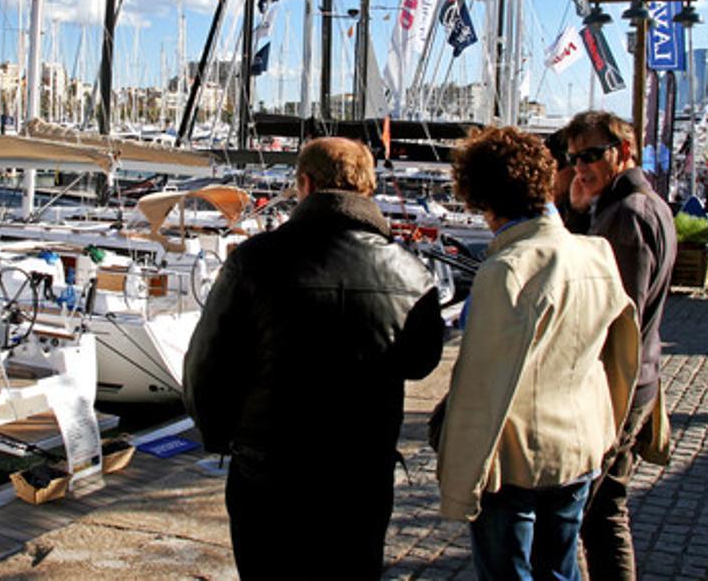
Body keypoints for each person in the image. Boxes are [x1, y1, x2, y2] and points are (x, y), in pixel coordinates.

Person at [183, 137, 444, 579]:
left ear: (304, 183)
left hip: (270, 471)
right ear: (367, 188)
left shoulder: (254, 261)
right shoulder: (410, 271)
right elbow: (421, 361)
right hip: (362, 471)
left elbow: (206, 366)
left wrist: (221, 437)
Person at [437, 126, 639, 580]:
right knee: (561, 569)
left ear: (480, 196)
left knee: (509, 571)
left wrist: (458, 478)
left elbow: (480, 386)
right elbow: (620, 349)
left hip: (514, 458)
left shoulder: (507, 270)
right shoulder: (595, 255)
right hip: (578, 444)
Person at [564, 110, 675, 581]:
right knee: (605, 513)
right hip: (636, 382)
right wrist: (575, 210)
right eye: (573, 158)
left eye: (590, 155)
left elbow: (613, 316)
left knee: (584, 518)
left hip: (616, 390)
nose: (580, 167)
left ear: (622, 151)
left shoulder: (627, 215)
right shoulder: (641, 203)